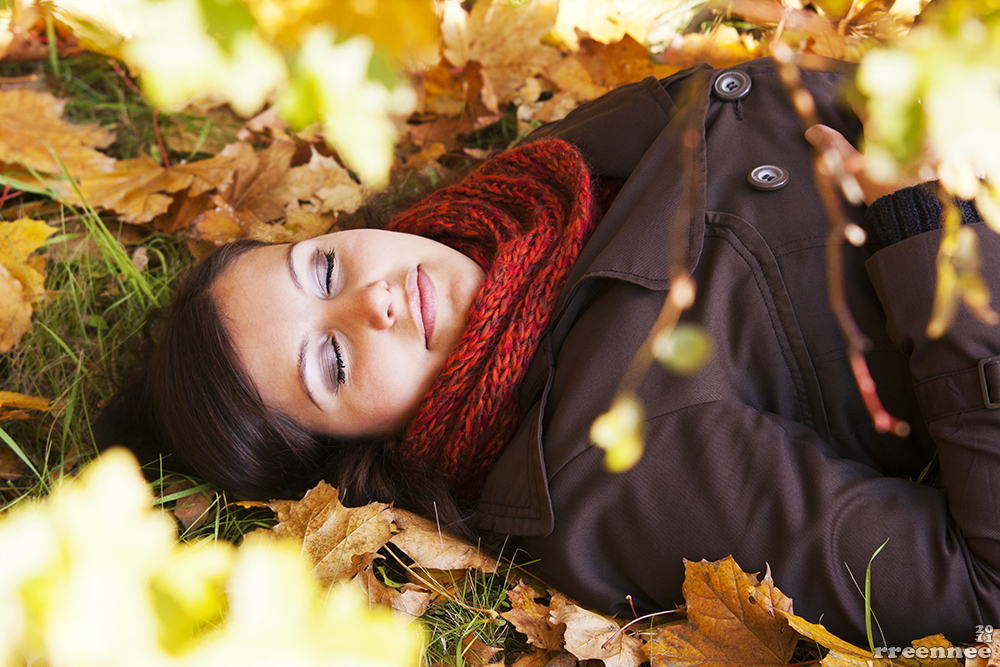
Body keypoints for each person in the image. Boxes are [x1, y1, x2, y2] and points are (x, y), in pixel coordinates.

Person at [96, 56, 1000, 646]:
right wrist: (926, 235)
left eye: (322, 266)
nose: (371, 300)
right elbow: (980, 589)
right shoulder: (613, 466)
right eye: (329, 362)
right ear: (356, 456)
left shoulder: (528, 195)